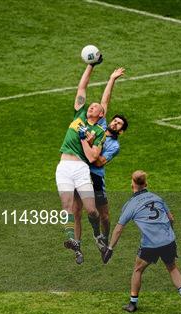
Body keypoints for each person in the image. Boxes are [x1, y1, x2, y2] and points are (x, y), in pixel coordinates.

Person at [102, 170, 181, 312]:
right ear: (146, 184)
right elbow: (171, 219)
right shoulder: (157, 198)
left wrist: (110, 248)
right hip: (168, 240)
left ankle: (132, 303)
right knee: (172, 267)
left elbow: (118, 229)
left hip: (150, 245)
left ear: (132, 184)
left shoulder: (131, 205)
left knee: (138, 269)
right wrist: (168, 234)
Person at [55, 56, 106, 265]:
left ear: (101, 113)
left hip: (81, 169)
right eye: (91, 105)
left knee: (91, 210)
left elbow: (94, 157)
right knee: (67, 208)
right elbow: (82, 87)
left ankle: (97, 234)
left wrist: (88, 141)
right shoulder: (79, 114)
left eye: (96, 106)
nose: (92, 106)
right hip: (64, 167)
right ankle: (73, 243)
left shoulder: (98, 131)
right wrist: (90, 65)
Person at [72, 68, 128, 254]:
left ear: (121, 132)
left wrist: (91, 149)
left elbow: (99, 162)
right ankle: (79, 242)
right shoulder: (101, 125)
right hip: (81, 173)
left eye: (119, 124)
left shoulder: (114, 146)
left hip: (95, 177)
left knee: (104, 215)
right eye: (114, 120)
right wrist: (112, 78)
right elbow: (105, 101)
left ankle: (105, 238)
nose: (115, 123)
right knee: (79, 210)